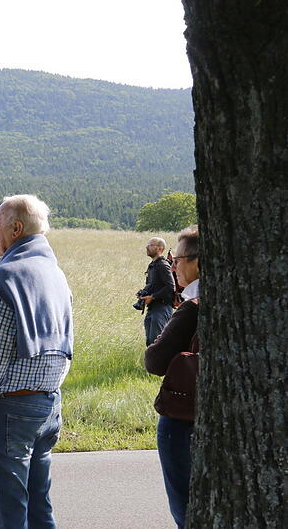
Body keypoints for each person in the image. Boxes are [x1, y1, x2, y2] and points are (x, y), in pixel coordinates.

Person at [0, 194, 73, 529]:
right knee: (40, 508)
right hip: (47, 403)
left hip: (8, 407)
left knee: (9, 512)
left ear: (14, 228)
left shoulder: (6, 276)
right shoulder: (55, 273)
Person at [144, 225, 199, 529]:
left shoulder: (192, 306)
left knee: (185, 507)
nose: (173, 264)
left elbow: (154, 360)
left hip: (182, 418)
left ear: (199, 262)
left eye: (178, 259)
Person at [139, 237, 175, 345]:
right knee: (150, 342)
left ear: (159, 248)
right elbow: (153, 286)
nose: (147, 247)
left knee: (158, 343)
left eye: (150, 245)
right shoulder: (152, 266)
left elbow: (171, 287)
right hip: (153, 309)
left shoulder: (162, 265)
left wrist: (152, 297)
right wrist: (143, 293)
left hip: (162, 309)